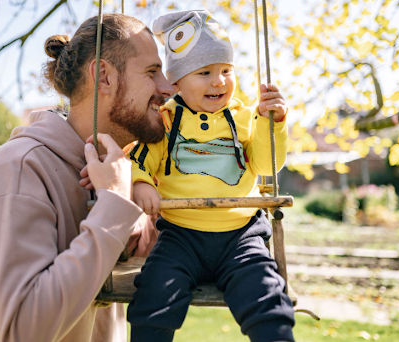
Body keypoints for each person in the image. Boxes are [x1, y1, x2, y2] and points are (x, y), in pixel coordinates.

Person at [0, 14, 174, 342]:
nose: (168, 88)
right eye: (151, 72)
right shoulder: (18, 170)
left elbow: (141, 251)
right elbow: (23, 330)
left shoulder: (112, 171)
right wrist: (114, 206)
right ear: (103, 76)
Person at [126, 10, 295, 342]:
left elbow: (265, 164)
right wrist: (141, 182)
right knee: (154, 293)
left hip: (241, 236)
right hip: (180, 237)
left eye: (226, 71)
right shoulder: (166, 120)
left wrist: (272, 123)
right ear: (176, 81)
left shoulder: (245, 118)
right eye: (204, 72)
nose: (219, 81)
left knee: (264, 293)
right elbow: (141, 158)